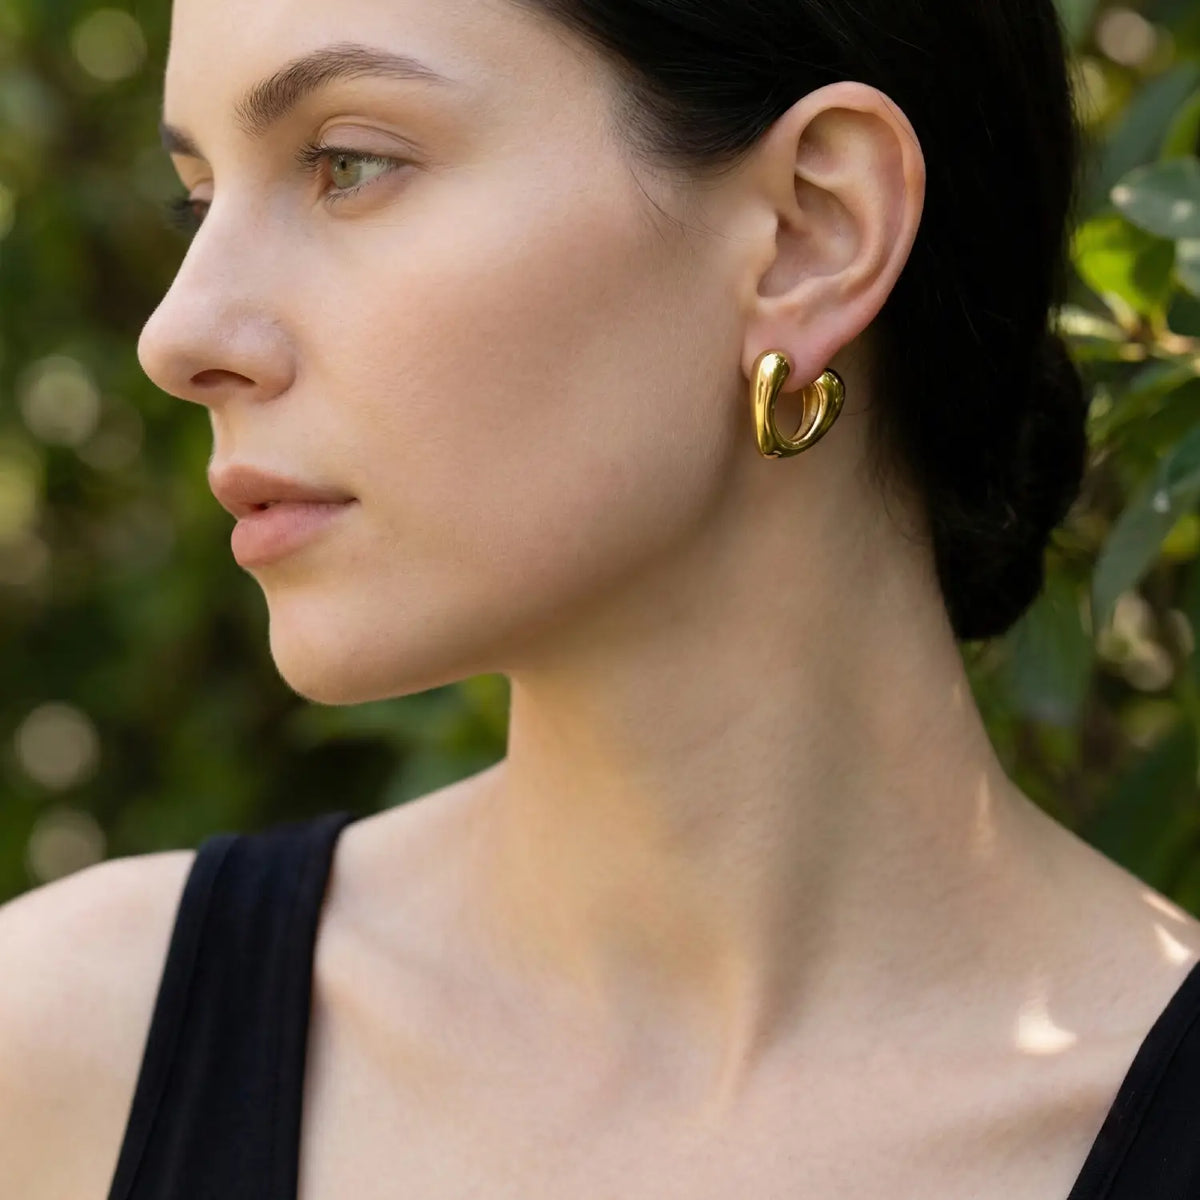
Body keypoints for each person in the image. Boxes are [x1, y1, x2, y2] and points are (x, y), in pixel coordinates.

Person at [5, 0, 1200, 1196]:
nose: (179, 334)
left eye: (346, 163)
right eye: (198, 200)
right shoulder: (61, 1060)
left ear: (809, 232)